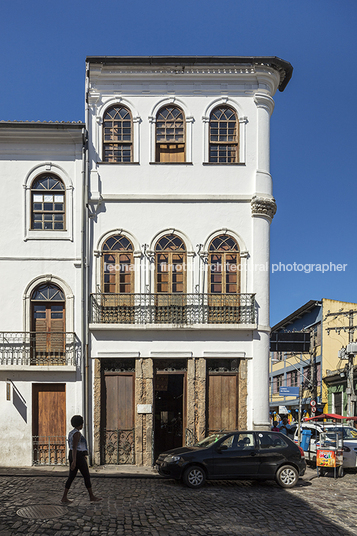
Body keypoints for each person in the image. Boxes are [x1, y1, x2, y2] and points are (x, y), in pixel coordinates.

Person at [61, 415, 101, 503]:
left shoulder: (71, 432)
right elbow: (75, 447)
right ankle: (91, 496)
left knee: (71, 476)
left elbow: (74, 447)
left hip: (73, 454)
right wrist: (74, 461)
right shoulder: (77, 434)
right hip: (77, 456)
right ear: (80, 424)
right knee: (86, 475)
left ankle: (64, 497)